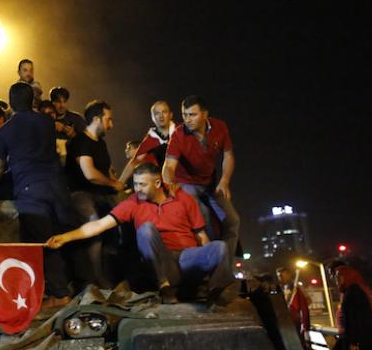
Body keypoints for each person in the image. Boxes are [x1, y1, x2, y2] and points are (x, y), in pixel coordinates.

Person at [48, 162, 233, 304]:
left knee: (220, 247)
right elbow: (98, 225)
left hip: (187, 258)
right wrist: (65, 237)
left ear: (157, 183)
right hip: (162, 262)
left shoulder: (183, 198)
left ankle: (214, 292)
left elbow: (202, 236)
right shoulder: (133, 202)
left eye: (142, 184)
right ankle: (165, 289)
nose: (137, 189)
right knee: (146, 229)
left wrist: (208, 263)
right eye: (135, 184)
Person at [0, 82, 73, 309]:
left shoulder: (5, 131)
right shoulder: (47, 122)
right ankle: (69, 285)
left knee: (44, 243)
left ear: (10, 103)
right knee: (62, 238)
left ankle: (60, 294)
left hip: (31, 191)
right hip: (57, 187)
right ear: (32, 100)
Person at [162, 96, 240, 256]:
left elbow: (228, 155)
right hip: (186, 184)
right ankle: (210, 259)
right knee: (204, 218)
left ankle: (225, 261)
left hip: (210, 183)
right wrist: (169, 183)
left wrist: (224, 181)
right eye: (184, 115)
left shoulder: (219, 127)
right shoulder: (178, 134)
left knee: (232, 221)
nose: (187, 119)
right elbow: (169, 165)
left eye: (192, 115)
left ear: (205, 114)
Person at [64, 100, 125, 287]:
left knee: (120, 225)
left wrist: (114, 182)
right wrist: (113, 183)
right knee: (94, 226)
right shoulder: (80, 141)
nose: (111, 125)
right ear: (97, 119)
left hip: (102, 194)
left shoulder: (101, 143)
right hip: (81, 194)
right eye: (109, 119)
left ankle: (113, 275)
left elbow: (107, 170)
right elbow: (90, 174)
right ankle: (94, 280)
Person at [119, 100, 176, 185]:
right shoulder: (151, 138)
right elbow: (135, 161)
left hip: (189, 179)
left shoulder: (180, 131)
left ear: (171, 115)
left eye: (164, 112)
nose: (161, 116)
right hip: (168, 182)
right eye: (157, 113)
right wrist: (120, 182)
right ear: (152, 117)